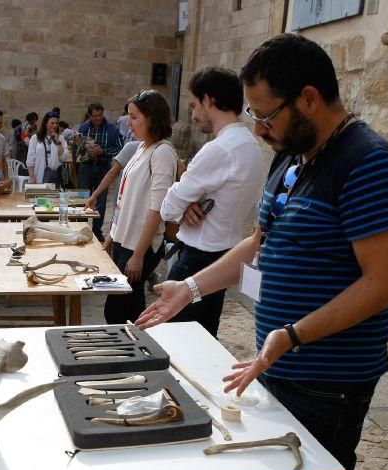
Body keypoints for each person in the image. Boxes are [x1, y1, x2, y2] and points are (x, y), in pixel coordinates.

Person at [136, 33, 388, 470]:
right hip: (280, 364)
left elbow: (383, 285)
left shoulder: (369, 164)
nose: (258, 128)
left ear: (309, 99)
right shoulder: (292, 159)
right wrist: (189, 288)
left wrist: (291, 334)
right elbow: (259, 243)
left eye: (266, 114)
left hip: (329, 378)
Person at [159, 66, 263, 338]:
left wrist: (184, 199)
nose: (193, 115)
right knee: (202, 340)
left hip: (198, 256)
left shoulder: (219, 148)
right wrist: (188, 202)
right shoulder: (249, 145)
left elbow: (168, 207)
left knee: (172, 344)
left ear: (208, 100)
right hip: (223, 253)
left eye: (194, 105)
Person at [103, 90, 176, 325]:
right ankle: (132, 351)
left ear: (151, 117)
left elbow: (157, 208)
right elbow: (124, 199)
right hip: (124, 239)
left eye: (134, 117)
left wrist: (139, 254)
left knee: (124, 308)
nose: (129, 123)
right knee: (120, 307)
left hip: (139, 244)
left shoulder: (163, 152)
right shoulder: (141, 148)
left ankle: (140, 351)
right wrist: (112, 236)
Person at [78, 102, 124, 240]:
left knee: (101, 201)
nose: (98, 118)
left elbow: (120, 148)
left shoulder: (112, 128)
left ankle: (97, 231)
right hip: (86, 166)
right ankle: (81, 227)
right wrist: (83, 147)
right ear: (90, 116)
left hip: (103, 168)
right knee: (82, 199)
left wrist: (102, 151)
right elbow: (77, 148)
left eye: (100, 115)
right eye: (95, 116)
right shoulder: (84, 127)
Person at [26, 111, 68, 185]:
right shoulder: (35, 138)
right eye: (52, 123)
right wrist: (32, 177)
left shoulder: (61, 138)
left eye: (56, 123)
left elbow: (63, 158)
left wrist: (57, 141)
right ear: (45, 123)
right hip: (38, 175)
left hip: (54, 177)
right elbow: (30, 159)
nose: (55, 125)